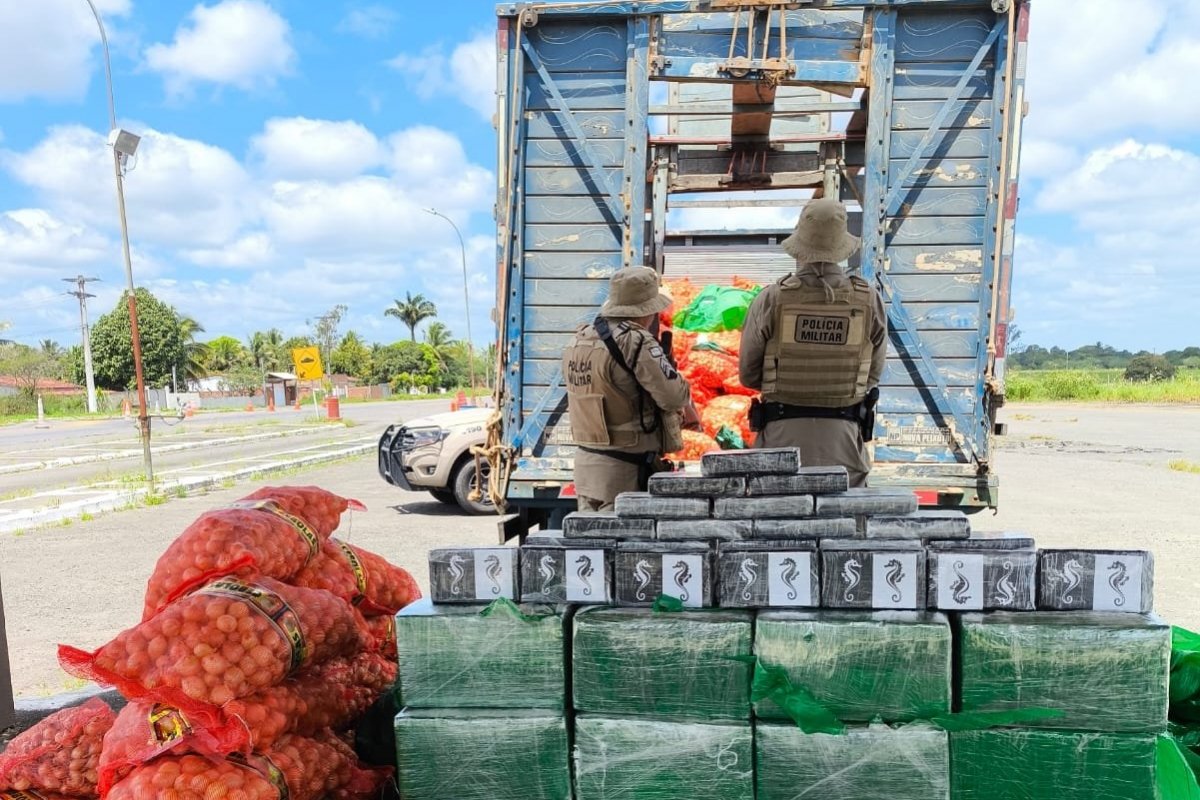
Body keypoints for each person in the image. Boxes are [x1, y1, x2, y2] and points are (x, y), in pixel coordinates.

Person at [739, 198, 887, 487]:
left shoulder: (771, 299)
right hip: (844, 441)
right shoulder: (869, 300)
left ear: (799, 245)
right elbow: (872, 375)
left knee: (778, 526)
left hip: (780, 441)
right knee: (842, 527)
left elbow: (748, 374)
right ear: (842, 248)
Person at [563, 266, 701, 512]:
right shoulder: (635, 341)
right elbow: (673, 397)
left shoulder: (581, 338)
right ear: (646, 310)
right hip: (624, 476)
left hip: (586, 470)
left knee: (592, 548)